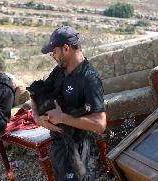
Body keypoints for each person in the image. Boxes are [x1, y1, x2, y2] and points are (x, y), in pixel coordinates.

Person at [32, 26, 106, 180]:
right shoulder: (59, 71)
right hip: (58, 143)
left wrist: (61, 118)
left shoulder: (89, 78)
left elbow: (100, 125)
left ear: (66, 48)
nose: (53, 56)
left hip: (76, 145)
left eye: (54, 52)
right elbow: (36, 92)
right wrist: (37, 118)